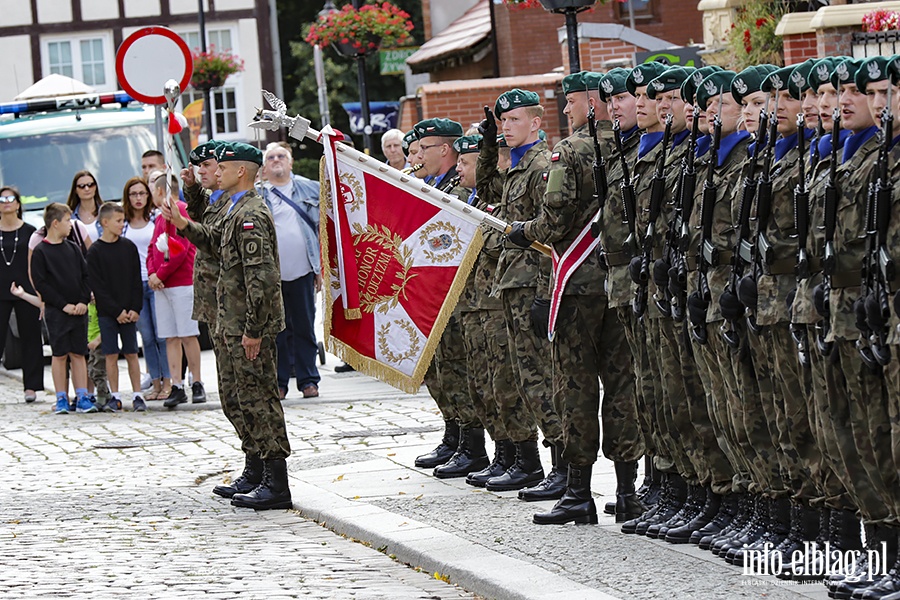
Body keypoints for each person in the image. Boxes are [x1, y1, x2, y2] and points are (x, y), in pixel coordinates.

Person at [505, 72, 636, 524]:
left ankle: (579, 492)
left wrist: (523, 233)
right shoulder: (632, 145)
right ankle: (627, 490)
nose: (566, 110)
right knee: (622, 384)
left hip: (577, 284)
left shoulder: (573, 150)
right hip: (619, 281)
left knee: (575, 385)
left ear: (593, 103)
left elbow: (554, 222)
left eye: (572, 101)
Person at [166, 141, 292, 510]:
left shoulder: (251, 212)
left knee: (260, 399)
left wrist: (254, 328)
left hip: (246, 324)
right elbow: (216, 243)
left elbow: (262, 279)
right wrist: (184, 224)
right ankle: (257, 470)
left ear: (241, 172)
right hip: (229, 320)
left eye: (221, 168)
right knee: (238, 398)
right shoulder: (232, 207)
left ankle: (276, 481)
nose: (213, 173)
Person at [475, 90, 563, 494]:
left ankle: (563, 465)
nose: (506, 127)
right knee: (525, 379)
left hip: (532, 283)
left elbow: (550, 237)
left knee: (541, 379)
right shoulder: (516, 165)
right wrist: (487, 145)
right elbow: (488, 190)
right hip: (512, 282)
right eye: (503, 121)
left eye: (513, 121)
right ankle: (533, 464)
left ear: (536, 123)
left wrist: (547, 295)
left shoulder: (542, 167)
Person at [257, 141, 322, 399]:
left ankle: (308, 380)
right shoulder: (258, 195)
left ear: (290, 161)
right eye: (271, 157)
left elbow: (324, 228)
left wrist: (321, 268)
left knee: (305, 327)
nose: (276, 160)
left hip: (304, 269)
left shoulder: (310, 188)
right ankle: (280, 382)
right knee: (277, 331)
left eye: (281, 156)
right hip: (272, 275)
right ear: (264, 166)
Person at [30, 203, 96, 414]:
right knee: (59, 354)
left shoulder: (74, 249)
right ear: (55, 223)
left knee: (78, 353)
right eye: (68, 221)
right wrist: (63, 305)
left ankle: (83, 395)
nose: (71, 225)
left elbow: (86, 276)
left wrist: (82, 301)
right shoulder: (41, 251)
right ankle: (61, 397)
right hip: (56, 311)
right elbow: (41, 284)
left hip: (78, 310)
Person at [147, 172, 204, 408]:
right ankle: (176, 384)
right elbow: (153, 246)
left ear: (160, 190)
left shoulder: (180, 209)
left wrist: (160, 273)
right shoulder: (160, 217)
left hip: (181, 282)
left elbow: (180, 248)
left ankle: (197, 381)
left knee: (187, 334)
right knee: (170, 336)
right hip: (162, 285)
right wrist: (152, 272)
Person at [86, 203, 145, 412]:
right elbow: (98, 288)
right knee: (110, 354)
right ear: (105, 223)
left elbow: (136, 281)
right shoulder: (94, 252)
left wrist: (134, 308)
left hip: (129, 313)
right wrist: (116, 311)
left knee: (131, 352)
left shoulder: (128, 247)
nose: (122, 225)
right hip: (108, 314)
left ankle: (137, 394)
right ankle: (116, 395)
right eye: (118, 221)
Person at [122, 176, 170, 401]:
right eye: (133, 194)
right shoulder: (122, 224)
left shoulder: (157, 218)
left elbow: (167, 248)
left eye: (142, 193)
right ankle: (155, 381)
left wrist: (158, 273)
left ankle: (169, 381)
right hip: (134, 285)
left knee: (163, 335)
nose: (138, 198)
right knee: (147, 337)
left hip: (156, 281)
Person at [0, 186, 42, 402]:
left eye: (11, 198)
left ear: (18, 204)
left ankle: (31, 387)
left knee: (31, 337)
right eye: (2, 198)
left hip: (26, 289)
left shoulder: (30, 231)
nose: (6, 202)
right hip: (1, 290)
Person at [66, 170, 104, 241]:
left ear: (95, 187)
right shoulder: (69, 217)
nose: (87, 189)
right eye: (81, 186)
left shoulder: (107, 212)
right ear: (75, 190)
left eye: (90, 185)